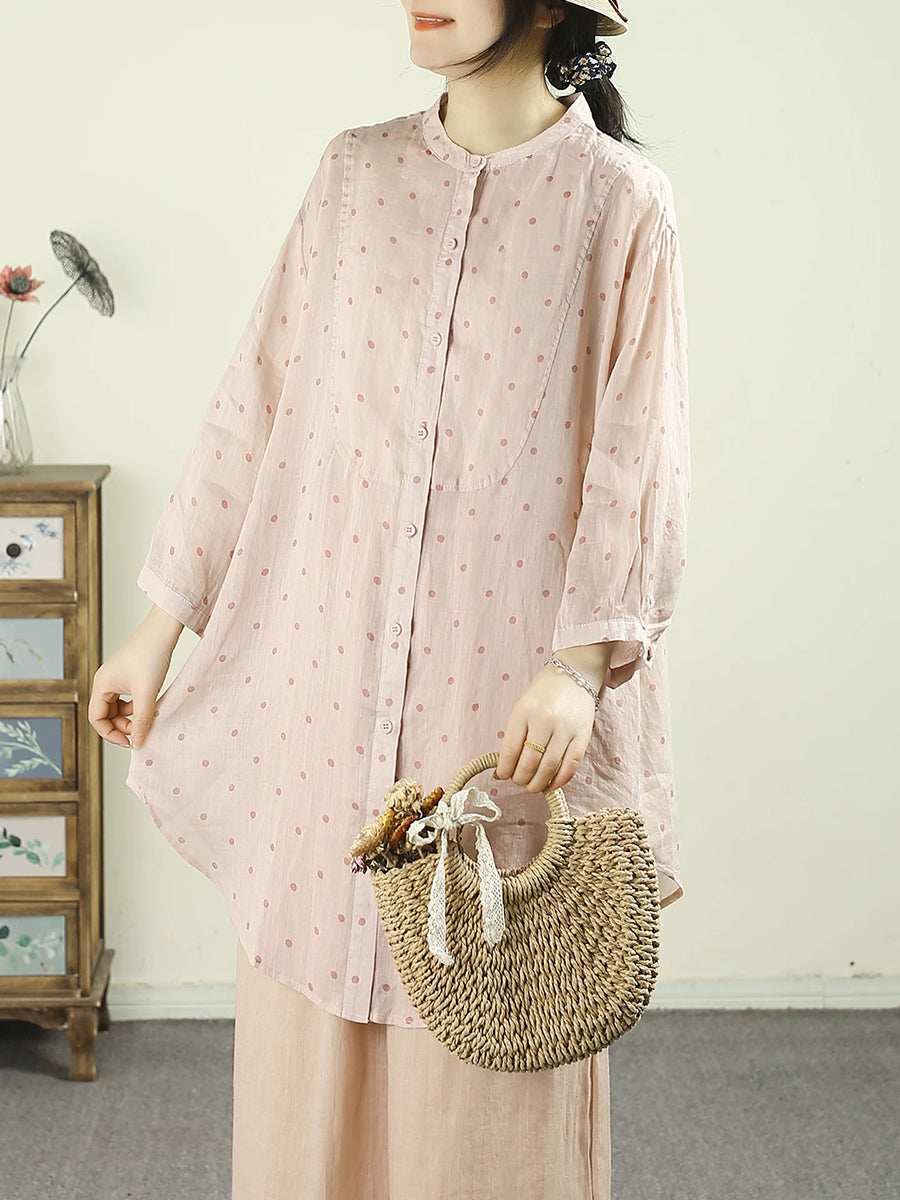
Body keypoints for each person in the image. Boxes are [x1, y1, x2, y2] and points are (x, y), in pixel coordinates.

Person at [89, 1, 691, 1196]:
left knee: (487, 1064)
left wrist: (580, 667)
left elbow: (640, 458)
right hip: (326, 693)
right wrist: (161, 626)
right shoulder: (354, 178)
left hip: (498, 709)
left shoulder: (620, 204)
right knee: (308, 1050)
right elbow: (257, 401)